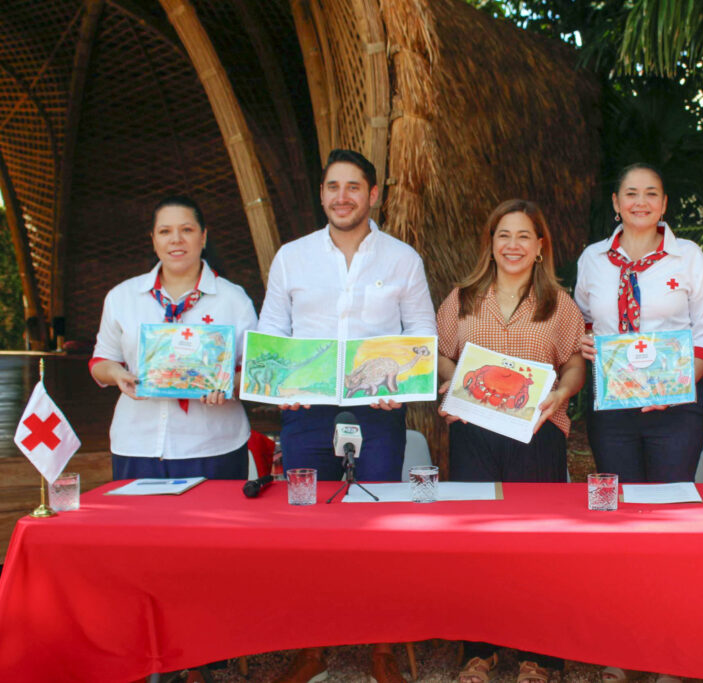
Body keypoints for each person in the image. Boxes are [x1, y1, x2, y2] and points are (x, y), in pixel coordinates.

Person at [257, 149, 435, 683]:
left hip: (377, 411)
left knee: (377, 527)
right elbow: (273, 331)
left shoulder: (402, 259)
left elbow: (420, 335)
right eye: (333, 186)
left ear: (373, 194)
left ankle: (381, 647)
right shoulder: (292, 257)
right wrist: (281, 387)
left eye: (353, 187)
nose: (342, 197)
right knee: (307, 529)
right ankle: (312, 646)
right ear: (322, 193)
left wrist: (400, 386)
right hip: (306, 413)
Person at [436, 199, 585, 683]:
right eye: (504, 235)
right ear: (491, 242)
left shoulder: (559, 304)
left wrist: (561, 392)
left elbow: (575, 363)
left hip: (536, 435)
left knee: (535, 545)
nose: (513, 245)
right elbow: (438, 354)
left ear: (541, 247)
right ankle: (478, 651)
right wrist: (455, 380)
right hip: (473, 435)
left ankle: (537, 655)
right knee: (476, 545)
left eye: (524, 236)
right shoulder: (461, 298)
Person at [90, 195, 256, 481]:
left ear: (203, 237)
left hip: (214, 444)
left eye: (187, 230)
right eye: (165, 231)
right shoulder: (122, 297)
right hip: (137, 442)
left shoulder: (233, 299)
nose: (176, 239)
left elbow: (255, 371)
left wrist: (226, 385)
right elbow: (100, 362)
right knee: (143, 527)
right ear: (153, 239)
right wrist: (118, 374)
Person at [575, 163, 703, 485]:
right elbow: (584, 322)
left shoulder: (688, 256)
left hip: (677, 407)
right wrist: (583, 341)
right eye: (631, 194)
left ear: (664, 204)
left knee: (670, 503)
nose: (641, 202)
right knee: (622, 501)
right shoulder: (592, 259)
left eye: (651, 194)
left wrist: (675, 387)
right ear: (615, 202)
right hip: (611, 406)